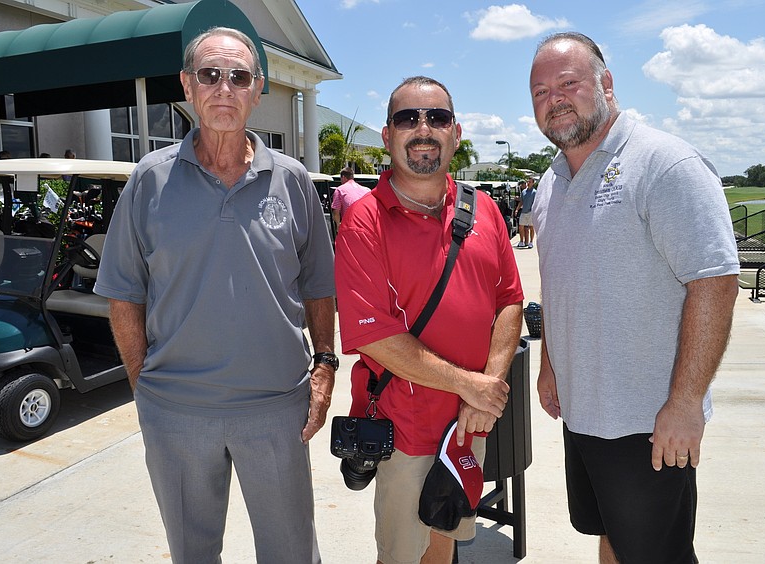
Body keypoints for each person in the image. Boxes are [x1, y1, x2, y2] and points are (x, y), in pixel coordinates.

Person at [94, 27, 335, 564]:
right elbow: (123, 293)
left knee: (292, 553)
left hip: (278, 408)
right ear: (187, 85)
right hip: (176, 412)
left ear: (257, 90)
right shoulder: (149, 180)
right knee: (193, 554)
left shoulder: (293, 180)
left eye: (239, 77)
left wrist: (325, 366)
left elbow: (319, 284)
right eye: (210, 75)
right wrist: (146, 388)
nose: (224, 88)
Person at [530, 32, 739, 563]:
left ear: (606, 84)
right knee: (611, 537)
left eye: (568, 83)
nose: (555, 99)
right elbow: (558, 282)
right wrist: (550, 364)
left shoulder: (665, 163)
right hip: (583, 414)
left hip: (650, 421)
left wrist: (685, 404)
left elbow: (714, 282)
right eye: (541, 91)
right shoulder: (551, 182)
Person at [334, 76, 524, 564]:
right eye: (408, 119)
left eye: (437, 117)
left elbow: (509, 300)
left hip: (468, 424)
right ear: (387, 135)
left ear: (455, 133)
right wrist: (471, 386)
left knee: (443, 546)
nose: (423, 129)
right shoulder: (365, 221)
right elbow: (374, 336)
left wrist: (487, 388)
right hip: (406, 427)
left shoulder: (484, 210)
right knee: (403, 555)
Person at [330, 166, 370, 231]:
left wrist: (338, 226)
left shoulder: (340, 190)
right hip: (366, 225)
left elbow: (336, 211)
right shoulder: (367, 190)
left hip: (350, 226)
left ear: (343, 177)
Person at [514, 177, 537, 248]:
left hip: (531, 212)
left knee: (531, 227)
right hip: (523, 211)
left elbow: (536, 202)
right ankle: (521, 241)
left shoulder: (535, 192)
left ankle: (531, 242)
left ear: (533, 183)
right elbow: (521, 201)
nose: (528, 183)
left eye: (530, 182)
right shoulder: (524, 191)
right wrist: (517, 209)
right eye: (528, 182)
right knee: (521, 226)